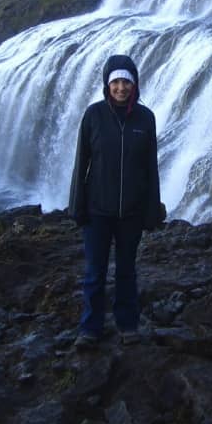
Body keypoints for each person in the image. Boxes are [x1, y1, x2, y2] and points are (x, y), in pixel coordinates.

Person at [68, 54, 163, 347]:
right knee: (94, 272)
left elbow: (151, 167)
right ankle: (90, 328)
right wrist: (77, 205)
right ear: (108, 85)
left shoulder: (145, 118)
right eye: (116, 82)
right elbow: (81, 161)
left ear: (134, 85)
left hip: (131, 212)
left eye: (126, 82)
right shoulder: (93, 115)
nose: (121, 88)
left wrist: (152, 209)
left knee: (126, 270)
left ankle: (127, 324)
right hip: (97, 209)